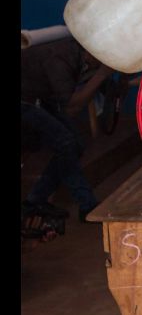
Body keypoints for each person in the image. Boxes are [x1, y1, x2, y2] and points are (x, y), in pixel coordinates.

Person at [21, 37, 114, 227]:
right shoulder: (60, 58)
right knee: (66, 143)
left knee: (74, 145)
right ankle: (85, 205)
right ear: (90, 51)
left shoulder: (79, 56)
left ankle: (36, 201)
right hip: (25, 100)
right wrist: (101, 75)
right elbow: (71, 107)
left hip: (38, 97)